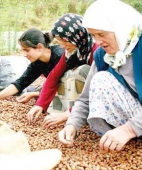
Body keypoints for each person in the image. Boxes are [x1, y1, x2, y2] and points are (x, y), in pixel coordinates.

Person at [58, 0, 142, 152]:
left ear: (120, 28)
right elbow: (85, 99)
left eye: (102, 34)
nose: (97, 41)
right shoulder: (102, 55)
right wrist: (72, 124)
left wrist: (128, 130)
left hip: (135, 124)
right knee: (100, 79)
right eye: (93, 35)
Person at [26, 13, 99, 128]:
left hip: (95, 99)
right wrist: (40, 104)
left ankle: (81, 114)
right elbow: (53, 76)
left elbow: (97, 89)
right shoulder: (71, 52)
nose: (62, 45)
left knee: (84, 70)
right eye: (59, 40)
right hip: (80, 101)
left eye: (65, 40)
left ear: (77, 35)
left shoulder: (96, 52)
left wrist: (68, 114)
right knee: (64, 76)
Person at [0, 28, 64, 102]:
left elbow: (66, 88)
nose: (24, 54)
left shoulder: (60, 56)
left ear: (40, 47)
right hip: (57, 88)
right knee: (35, 93)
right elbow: (21, 83)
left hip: (70, 91)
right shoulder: (38, 61)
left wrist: (33, 94)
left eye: (27, 50)